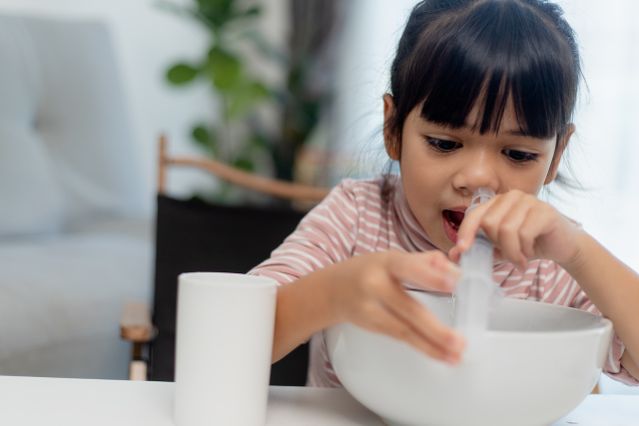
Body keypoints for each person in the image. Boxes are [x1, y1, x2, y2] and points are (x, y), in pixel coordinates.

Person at [250, 0, 639, 388]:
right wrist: (334, 293)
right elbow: (233, 335)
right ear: (393, 129)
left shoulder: (553, 259)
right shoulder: (354, 217)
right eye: (444, 143)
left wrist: (578, 252)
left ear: (556, 156)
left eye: (518, 154)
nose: (478, 178)